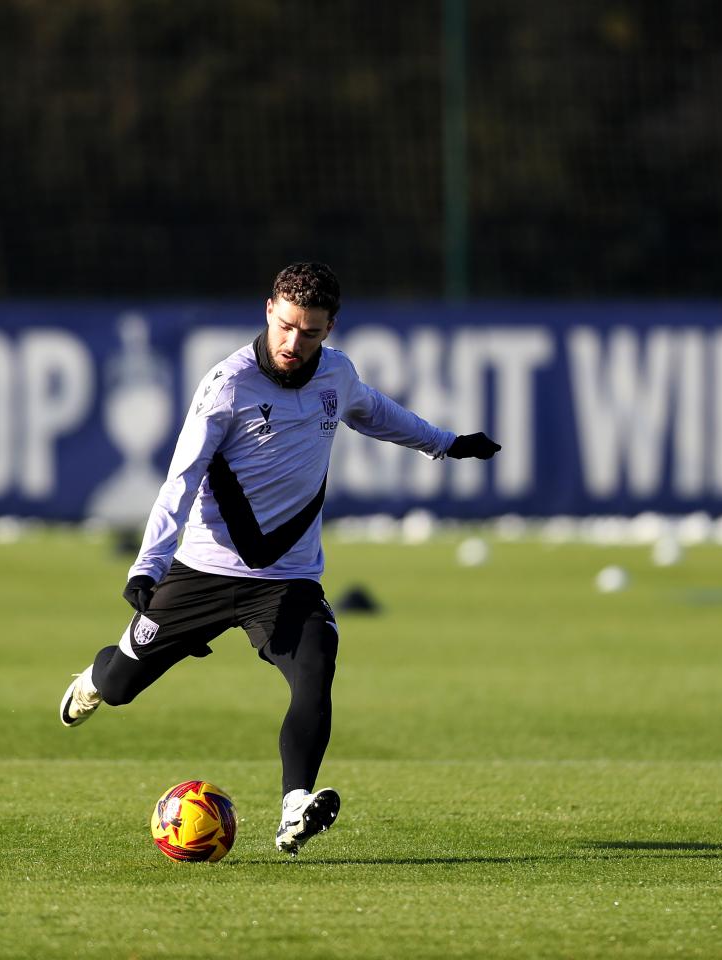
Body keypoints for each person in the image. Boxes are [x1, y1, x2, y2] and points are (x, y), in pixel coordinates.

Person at [59, 261, 500, 856]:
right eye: (288, 326)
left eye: (311, 332)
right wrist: (149, 565)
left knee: (317, 666)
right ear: (269, 310)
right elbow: (180, 479)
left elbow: (373, 412)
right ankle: (92, 677)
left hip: (287, 578)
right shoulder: (227, 386)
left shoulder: (337, 375)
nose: (295, 343)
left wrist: (445, 443)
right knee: (118, 687)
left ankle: (295, 805)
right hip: (203, 572)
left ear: (330, 328)